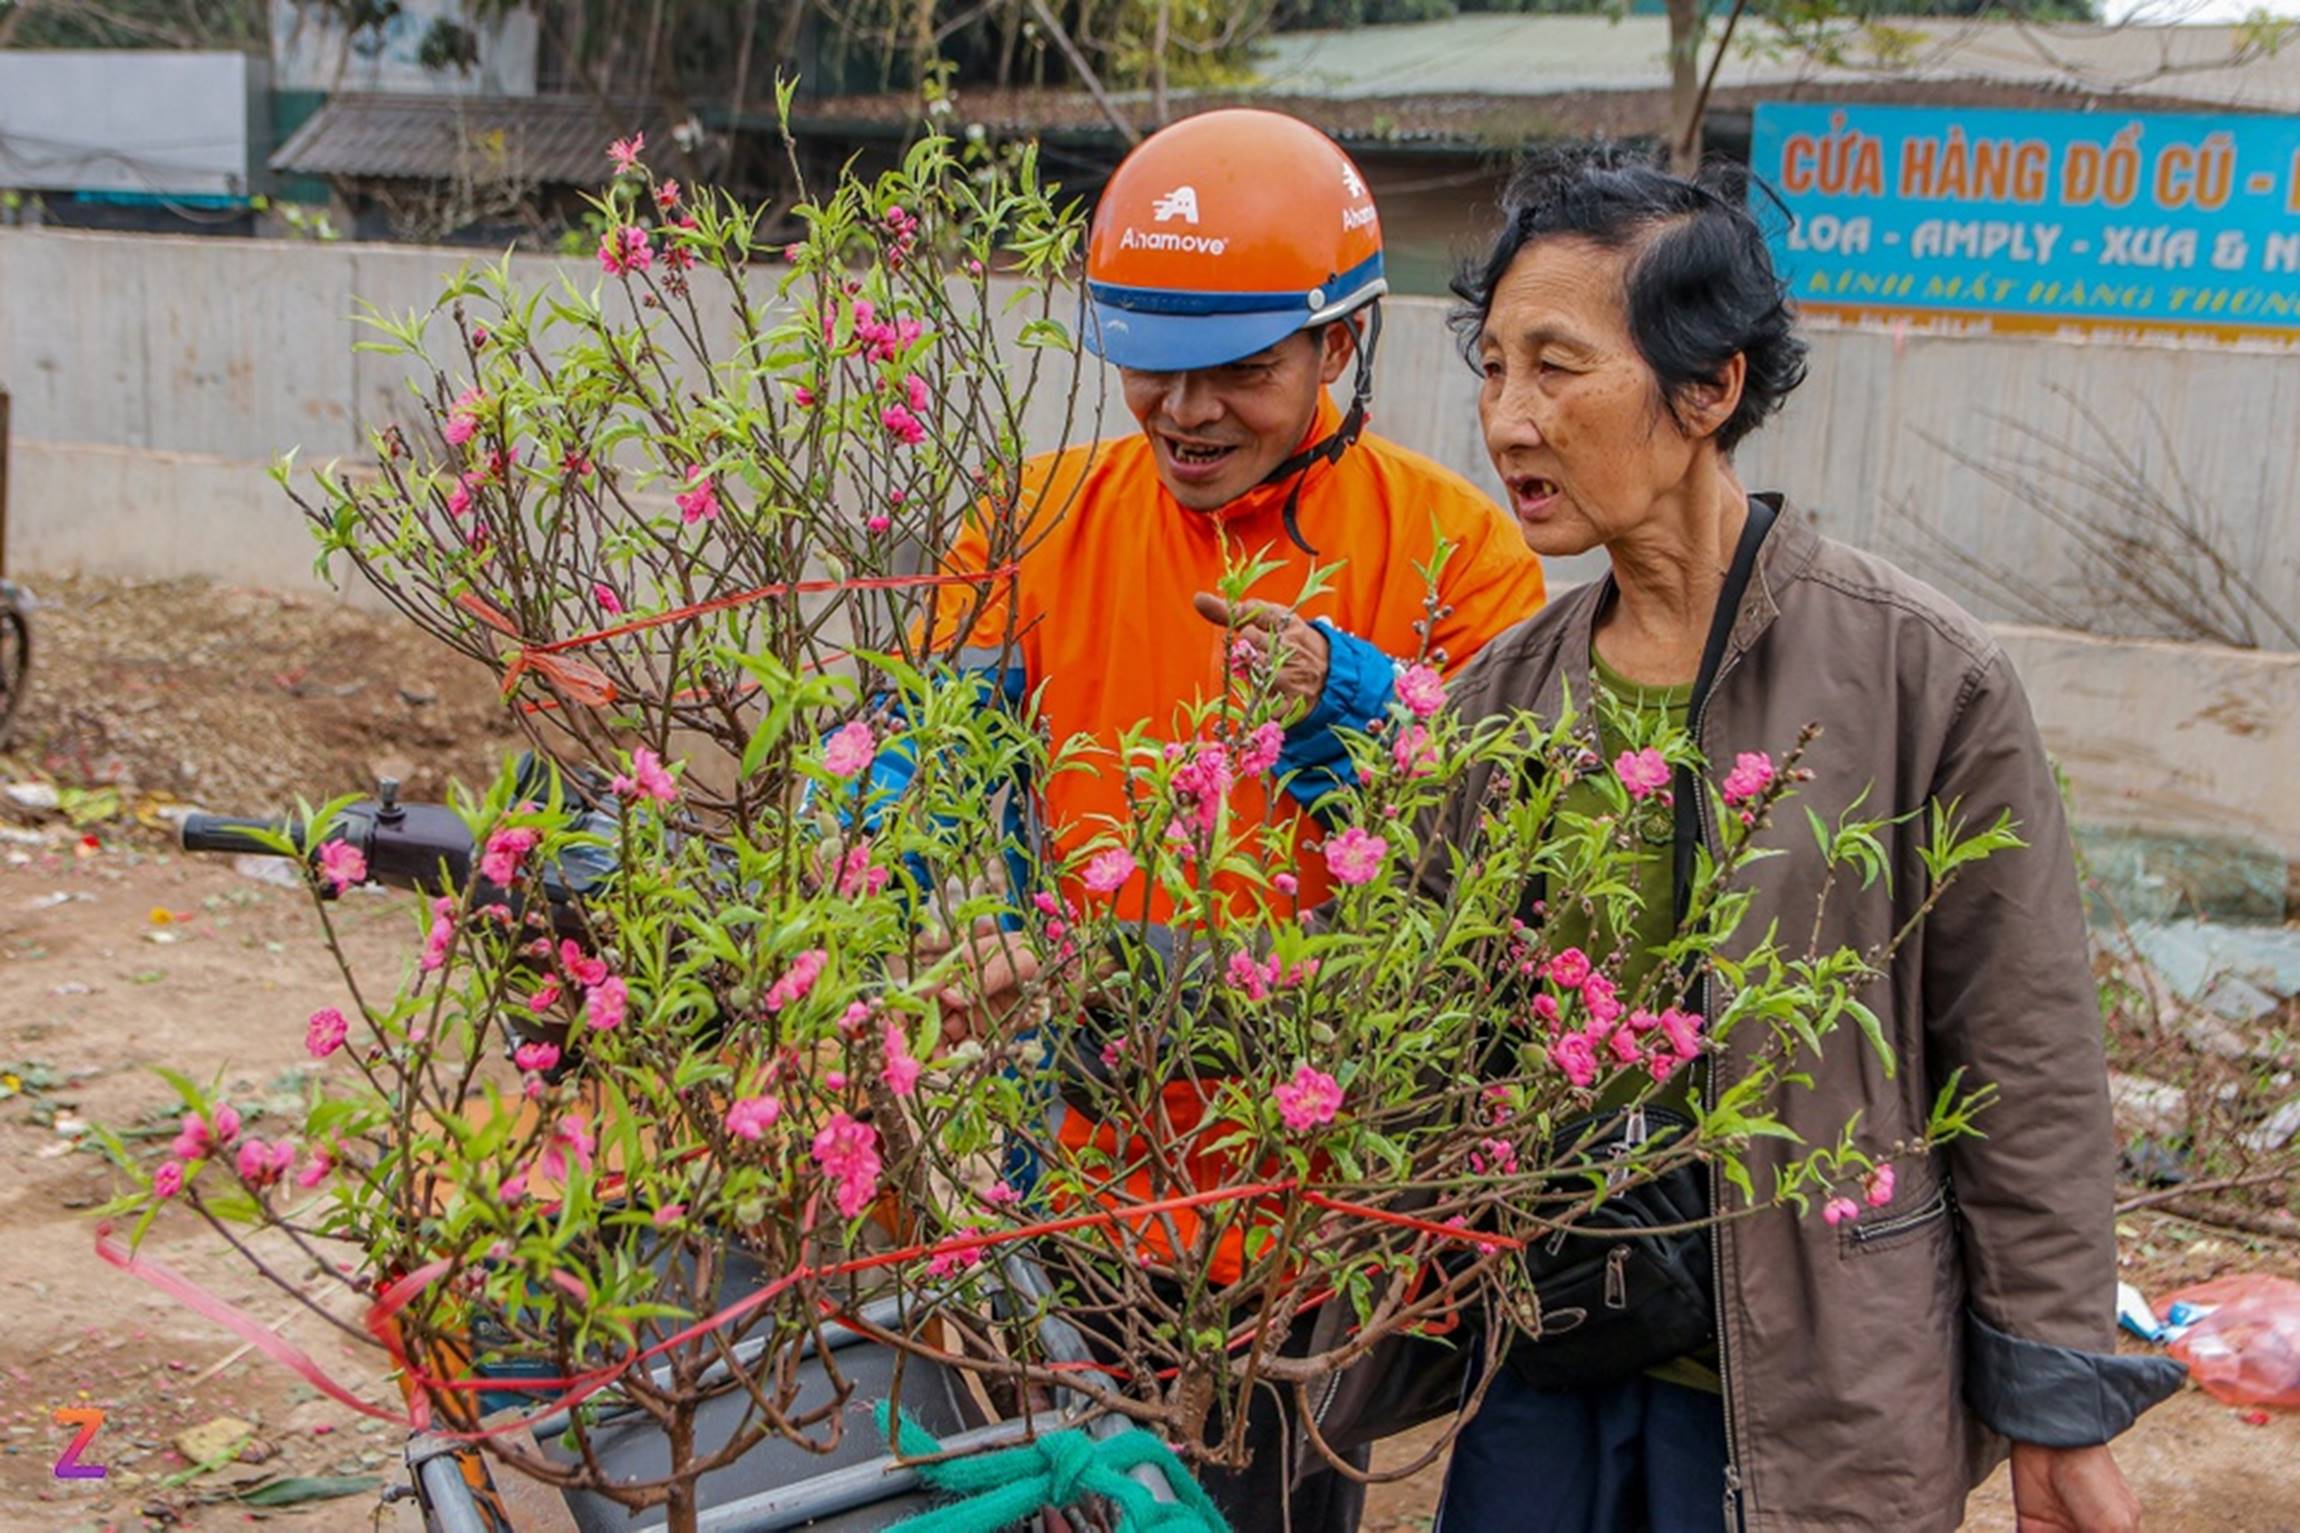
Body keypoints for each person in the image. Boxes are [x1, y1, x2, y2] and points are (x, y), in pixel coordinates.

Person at [1413, 148, 2183, 1533]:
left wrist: (2055, 1407)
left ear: (1707, 389)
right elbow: (1417, 1034)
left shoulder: (1919, 678)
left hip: (1813, 1370)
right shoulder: (1499, 699)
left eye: (1556, 367)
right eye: (1491, 368)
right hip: (1555, 1355)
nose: (1508, 420)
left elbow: (2024, 1063)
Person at [883, 110, 1550, 1529]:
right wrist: (837, 886)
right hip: (1067, 1179)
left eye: (1237, 371)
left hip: (1312, 1221)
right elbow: (913, 781)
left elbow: (1502, 864)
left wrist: (1356, 699)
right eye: (1151, 367)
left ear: (1340, 348)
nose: (1184, 412)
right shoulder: (1030, 528)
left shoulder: (1460, 561)